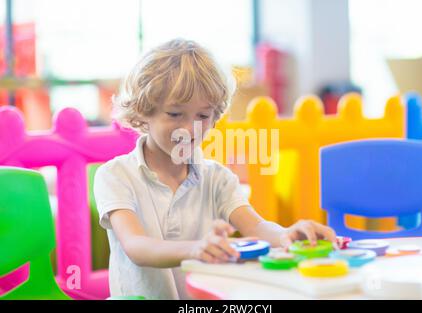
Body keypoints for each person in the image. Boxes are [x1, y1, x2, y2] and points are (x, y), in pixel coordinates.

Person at [94, 39, 336, 299]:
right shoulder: (115, 175)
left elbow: (257, 227)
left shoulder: (217, 178)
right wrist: (196, 248)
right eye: (175, 114)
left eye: (202, 116)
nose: (189, 129)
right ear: (144, 112)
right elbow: (136, 246)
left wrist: (288, 234)